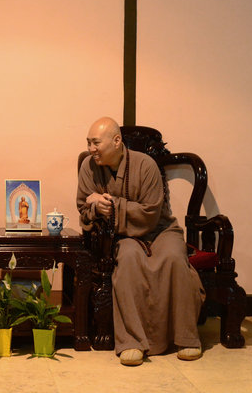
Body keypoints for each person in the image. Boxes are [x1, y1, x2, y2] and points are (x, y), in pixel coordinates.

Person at [77, 117, 205, 366]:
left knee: (173, 258)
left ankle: (187, 338)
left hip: (160, 230)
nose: (91, 149)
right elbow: (84, 206)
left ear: (117, 141)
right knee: (128, 259)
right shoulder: (88, 167)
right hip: (123, 235)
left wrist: (110, 204)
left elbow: (150, 212)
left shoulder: (146, 165)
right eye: (88, 143)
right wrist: (95, 208)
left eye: (96, 143)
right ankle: (132, 341)